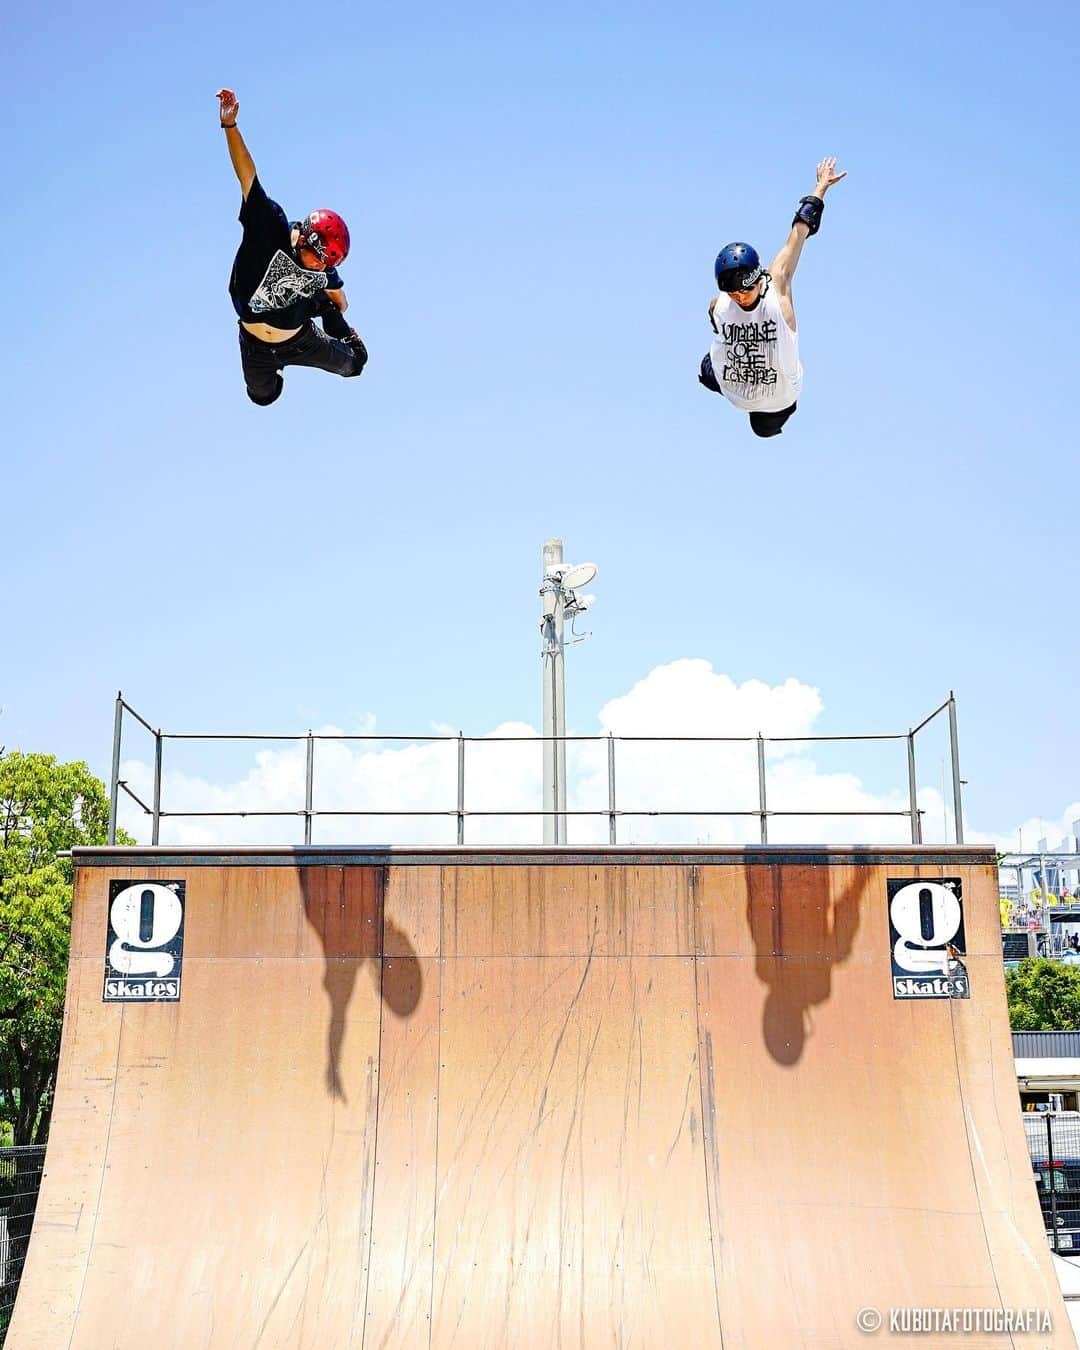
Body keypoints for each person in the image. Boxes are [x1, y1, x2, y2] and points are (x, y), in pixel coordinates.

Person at [216, 89, 368, 406]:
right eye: (315, 258)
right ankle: (287, 355)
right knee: (262, 396)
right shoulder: (269, 225)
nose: (317, 266)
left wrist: (332, 308)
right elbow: (247, 175)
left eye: (324, 265)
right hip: (255, 344)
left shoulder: (324, 267)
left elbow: (342, 300)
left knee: (355, 365)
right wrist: (230, 126)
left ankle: (320, 313)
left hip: (301, 340)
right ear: (304, 237)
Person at [698, 157, 846, 437]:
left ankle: (764, 419)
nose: (740, 298)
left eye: (746, 290)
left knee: (762, 428)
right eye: (733, 293)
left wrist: (821, 188)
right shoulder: (719, 304)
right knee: (707, 370)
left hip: (777, 396)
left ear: (758, 279)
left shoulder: (776, 287)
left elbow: (799, 231)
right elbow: (720, 306)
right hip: (738, 392)